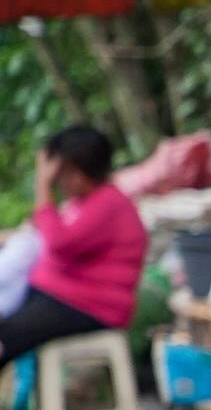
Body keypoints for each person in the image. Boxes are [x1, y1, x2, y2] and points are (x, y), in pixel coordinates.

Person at [0, 125, 148, 368]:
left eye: (60, 173)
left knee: (6, 337)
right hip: (60, 297)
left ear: (77, 170)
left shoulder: (109, 204)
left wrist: (42, 186)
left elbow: (58, 243)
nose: (58, 181)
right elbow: (42, 232)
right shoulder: (84, 203)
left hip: (89, 307)